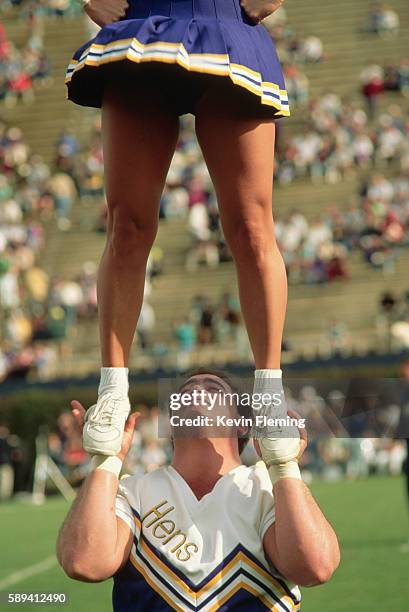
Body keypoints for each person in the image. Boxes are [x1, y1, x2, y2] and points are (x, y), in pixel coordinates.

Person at [65, 0, 292, 457]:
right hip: (141, 22)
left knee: (251, 227)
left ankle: (269, 394)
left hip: (226, 19)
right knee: (126, 226)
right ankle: (113, 389)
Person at [57, 370, 340, 610]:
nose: (197, 392)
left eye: (214, 389)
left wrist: (283, 465)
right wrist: (106, 459)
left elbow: (316, 566)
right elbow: (84, 562)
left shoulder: (268, 488)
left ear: (242, 424)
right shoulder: (133, 491)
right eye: (186, 391)